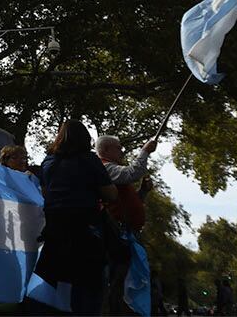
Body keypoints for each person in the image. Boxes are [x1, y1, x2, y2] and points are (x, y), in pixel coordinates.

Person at [31, 119, 118, 316]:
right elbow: (111, 194)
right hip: (85, 231)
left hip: (54, 232)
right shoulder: (89, 161)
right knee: (89, 285)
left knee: (50, 282)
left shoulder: (48, 163)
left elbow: (45, 193)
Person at [97, 135, 156, 315]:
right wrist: (145, 151)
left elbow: (127, 203)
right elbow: (133, 172)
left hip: (126, 236)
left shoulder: (111, 169)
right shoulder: (106, 168)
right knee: (119, 283)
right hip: (118, 237)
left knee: (124, 282)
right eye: (118, 148)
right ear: (106, 150)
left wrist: (143, 192)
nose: (122, 151)